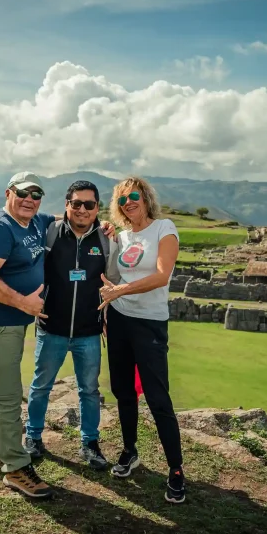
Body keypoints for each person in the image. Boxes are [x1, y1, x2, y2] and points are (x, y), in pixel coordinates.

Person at [0, 171, 55, 499]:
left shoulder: (33, 221)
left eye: (37, 194)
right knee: (5, 396)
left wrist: (99, 224)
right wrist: (24, 302)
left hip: (11, 325)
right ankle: (16, 467)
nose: (31, 199)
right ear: (8, 193)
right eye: (24, 193)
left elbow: (60, 217)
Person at [98, 176, 186, 504]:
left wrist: (120, 290)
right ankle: (130, 451)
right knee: (123, 391)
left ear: (146, 197)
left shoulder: (164, 228)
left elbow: (162, 275)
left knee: (157, 397)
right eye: (121, 200)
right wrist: (109, 308)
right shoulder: (121, 236)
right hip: (119, 319)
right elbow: (112, 277)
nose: (128, 203)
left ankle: (175, 469)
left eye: (133, 196)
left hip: (149, 323)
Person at [24, 180, 120, 470]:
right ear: (66, 205)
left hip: (88, 332)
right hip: (51, 327)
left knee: (89, 390)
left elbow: (112, 283)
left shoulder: (107, 241)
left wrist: (108, 317)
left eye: (89, 205)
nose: (82, 209)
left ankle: (89, 443)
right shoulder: (50, 232)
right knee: (41, 386)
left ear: (97, 209)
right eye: (76, 203)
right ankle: (33, 437)